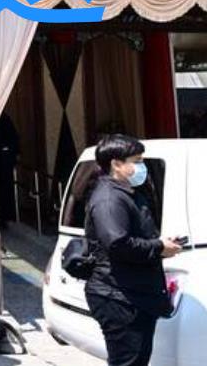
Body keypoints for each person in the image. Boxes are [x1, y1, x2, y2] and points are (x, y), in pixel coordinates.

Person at [85, 134, 182, 366]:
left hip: (131, 293)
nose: (142, 167)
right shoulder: (109, 199)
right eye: (136, 161)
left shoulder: (125, 192)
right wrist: (159, 247)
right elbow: (118, 244)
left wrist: (161, 242)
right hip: (119, 296)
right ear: (116, 164)